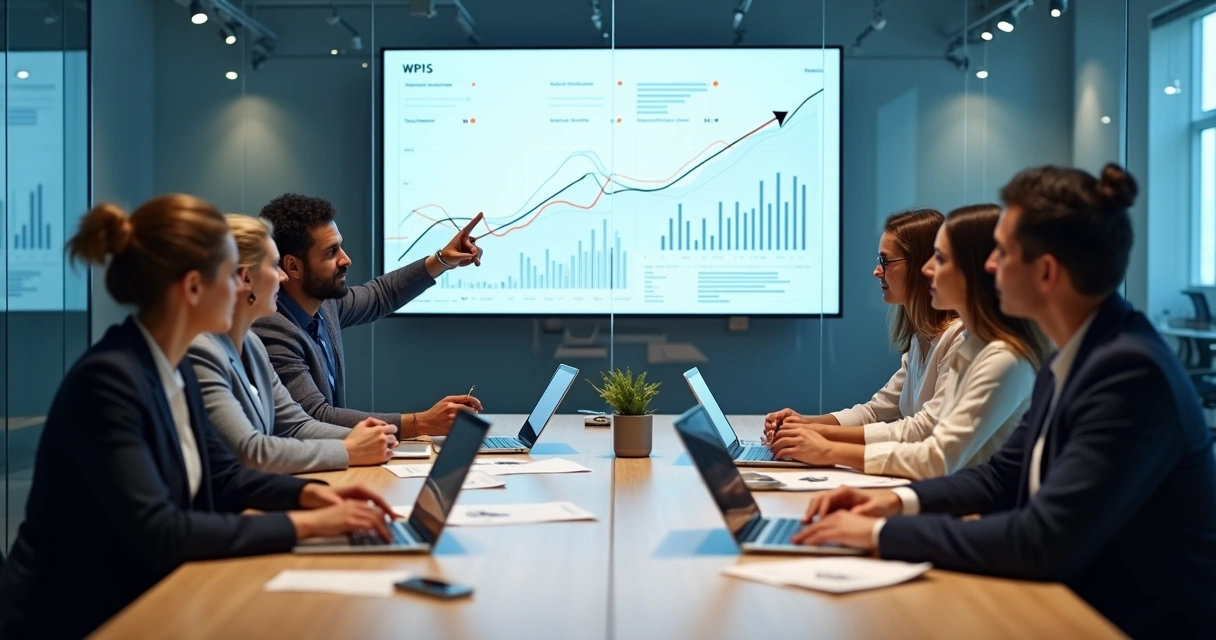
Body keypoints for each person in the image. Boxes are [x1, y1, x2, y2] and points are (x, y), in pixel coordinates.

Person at [792, 165, 1216, 638]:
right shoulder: (1081, 354)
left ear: (1047, 272)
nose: (988, 266)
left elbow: (1042, 540)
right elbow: (1000, 477)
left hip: (1121, 622)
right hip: (1074, 602)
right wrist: (892, 503)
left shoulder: (1129, 374)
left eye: (1003, 252)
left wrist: (879, 534)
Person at [0, 196, 397, 639]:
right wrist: (303, 524)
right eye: (231, 275)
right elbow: (160, 531)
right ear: (192, 287)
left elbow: (225, 475)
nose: (243, 286)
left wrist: (314, 499)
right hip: (83, 617)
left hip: (149, 594)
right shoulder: (109, 381)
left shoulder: (173, 368)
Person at [769, 205, 1047, 479]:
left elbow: (933, 448)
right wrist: (807, 427)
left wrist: (827, 446)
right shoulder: (957, 341)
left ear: (974, 271)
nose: (927, 269)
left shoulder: (996, 355)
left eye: (939, 258)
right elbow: (883, 411)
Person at [253, 194, 484, 439]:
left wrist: (443, 260)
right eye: (331, 252)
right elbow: (314, 416)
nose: (346, 259)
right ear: (293, 266)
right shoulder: (273, 328)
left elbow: (381, 295)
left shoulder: (325, 305)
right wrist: (419, 423)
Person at [189, 214, 400, 474]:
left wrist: (369, 437)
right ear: (246, 279)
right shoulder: (201, 349)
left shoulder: (252, 344)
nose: (283, 277)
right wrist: (349, 450)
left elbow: (296, 425)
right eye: (275, 265)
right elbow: (251, 452)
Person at [765, 209, 964, 452]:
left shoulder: (958, 339)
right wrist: (803, 423)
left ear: (921, 265)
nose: (877, 271)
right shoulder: (920, 338)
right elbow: (875, 411)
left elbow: (925, 429)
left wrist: (820, 437)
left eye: (885, 261)